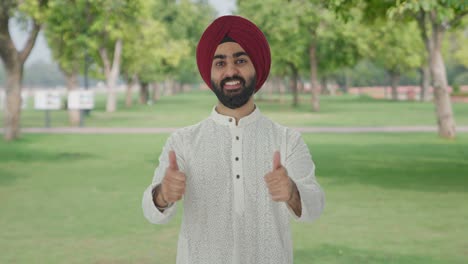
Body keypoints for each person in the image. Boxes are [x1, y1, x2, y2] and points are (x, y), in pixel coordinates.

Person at [142, 15, 325, 264]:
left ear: (255, 67)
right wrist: (162, 194)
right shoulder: (183, 142)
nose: (230, 72)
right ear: (211, 73)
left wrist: (293, 192)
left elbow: (315, 207)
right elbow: (152, 214)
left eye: (240, 60)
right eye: (220, 63)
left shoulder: (286, 140)